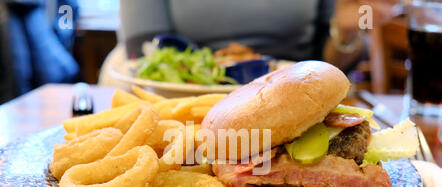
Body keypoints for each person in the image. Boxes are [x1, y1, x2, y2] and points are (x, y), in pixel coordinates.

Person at [118, 0, 399, 72]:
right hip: (185, 104)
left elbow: (334, 65)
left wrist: (348, 30)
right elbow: (144, 51)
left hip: (293, 98)